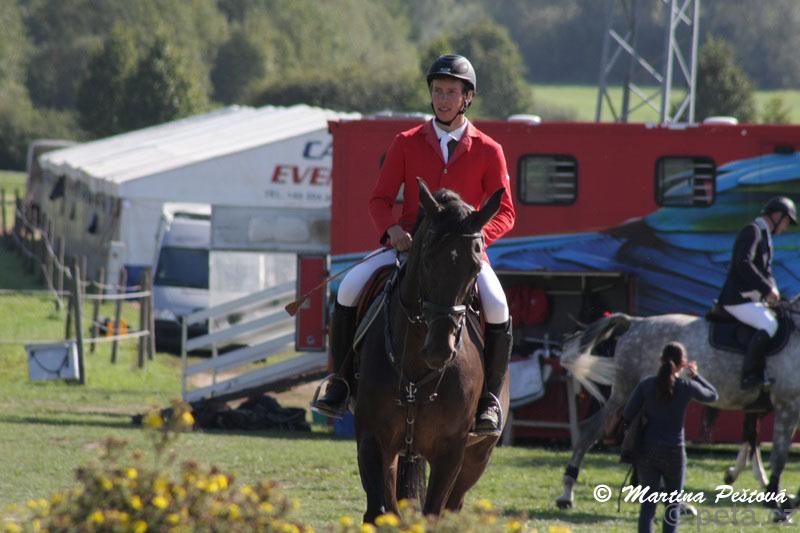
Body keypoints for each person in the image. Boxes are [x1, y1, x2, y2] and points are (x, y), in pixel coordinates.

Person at [312, 53, 516, 436]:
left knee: (498, 304)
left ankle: (489, 398)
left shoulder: (489, 150)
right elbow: (379, 199)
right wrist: (392, 230)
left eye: (451, 92)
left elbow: (505, 211)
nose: (443, 99)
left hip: (462, 256)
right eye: (438, 91)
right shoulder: (406, 142)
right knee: (350, 287)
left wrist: (471, 241)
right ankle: (340, 383)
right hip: (408, 246)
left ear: (467, 97)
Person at [623, 342, 718, 533]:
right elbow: (713, 396)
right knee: (672, 507)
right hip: (674, 451)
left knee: (647, 507)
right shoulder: (686, 386)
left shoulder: (646, 385)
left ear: (660, 360)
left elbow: (627, 414)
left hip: (647, 449)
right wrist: (696, 376)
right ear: (683, 364)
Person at [718, 196, 797, 390]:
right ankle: (749, 375)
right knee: (769, 324)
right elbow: (743, 263)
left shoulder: (764, 235)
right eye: (786, 221)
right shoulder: (752, 231)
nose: (786, 227)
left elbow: (766, 272)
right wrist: (766, 288)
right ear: (777, 215)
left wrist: (774, 291)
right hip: (736, 299)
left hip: (750, 299)